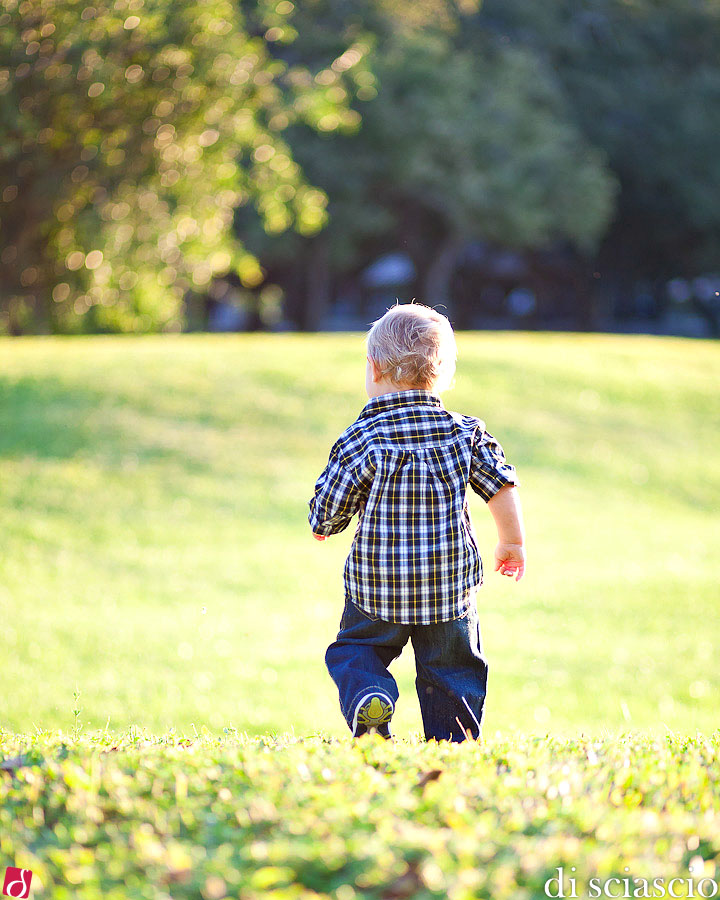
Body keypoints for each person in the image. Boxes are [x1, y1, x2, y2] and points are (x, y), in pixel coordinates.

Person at [308, 302, 525, 742]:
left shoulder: (362, 436)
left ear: (373, 368)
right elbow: (501, 484)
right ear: (444, 374)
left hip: (378, 584)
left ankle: (370, 695)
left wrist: (325, 523)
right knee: (452, 669)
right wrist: (512, 542)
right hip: (448, 584)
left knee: (357, 650)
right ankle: (454, 740)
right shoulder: (464, 432)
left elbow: (331, 501)